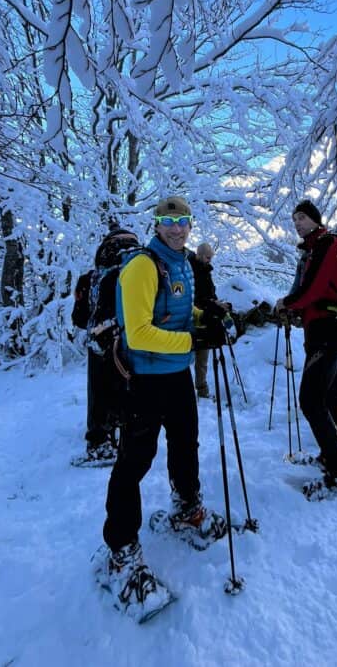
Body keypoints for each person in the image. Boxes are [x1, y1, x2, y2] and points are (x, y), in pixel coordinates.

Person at [101, 196, 227, 608]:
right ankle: (120, 549)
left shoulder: (182, 263)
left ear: (190, 224)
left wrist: (208, 318)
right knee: (135, 461)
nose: (176, 228)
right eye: (168, 221)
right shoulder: (141, 265)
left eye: (182, 221)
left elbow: (176, 307)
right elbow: (137, 333)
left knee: (186, 443)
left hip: (177, 377)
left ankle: (187, 508)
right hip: (145, 381)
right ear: (156, 225)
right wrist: (193, 339)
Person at [275, 199, 337, 499]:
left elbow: (313, 287)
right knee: (329, 395)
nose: (296, 222)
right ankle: (330, 456)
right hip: (325, 330)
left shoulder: (326, 245)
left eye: (301, 217)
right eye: (294, 218)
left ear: (314, 219)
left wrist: (288, 303)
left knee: (310, 400)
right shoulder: (313, 248)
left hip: (329, 331)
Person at [72, 227, 139, 463]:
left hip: (99, 344)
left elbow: (79, 319)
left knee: (99, 391)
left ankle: (101, 443)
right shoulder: (138, 270)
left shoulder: (89, 279)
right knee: (128, 388)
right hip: (133, 341)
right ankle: (130, 438)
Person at [187, 242, 218, 399]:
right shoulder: (190, 270)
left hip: (205, 318)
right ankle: (190, 391)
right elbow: (196, 295)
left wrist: (217, 304)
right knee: (189, 356)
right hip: (192, 319)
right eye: (207, 257)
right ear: (199, 255)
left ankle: (202, 389)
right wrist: (211, 304)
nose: (210, 260)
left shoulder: (205, 271)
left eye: (211, 257)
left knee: (202, 358)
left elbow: (210, 292)